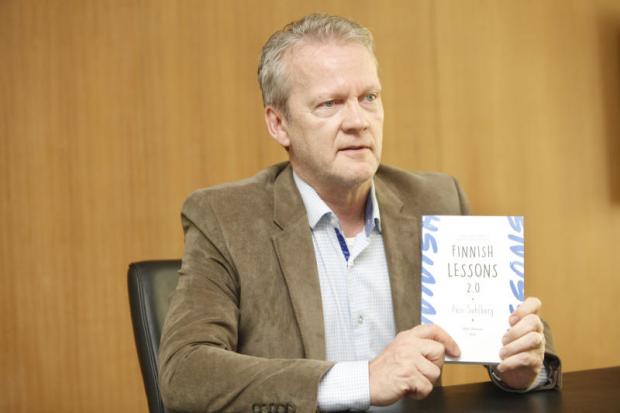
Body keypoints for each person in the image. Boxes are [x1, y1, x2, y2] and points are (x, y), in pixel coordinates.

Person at [159, 14, 561, 412]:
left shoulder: (436, 200)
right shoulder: (225, 218)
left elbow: (510, 341)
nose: (358, 121)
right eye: (329, 104)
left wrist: (521, 368)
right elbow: (184, 373)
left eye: (369, 97)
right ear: (279, 124)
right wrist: (362, 381)